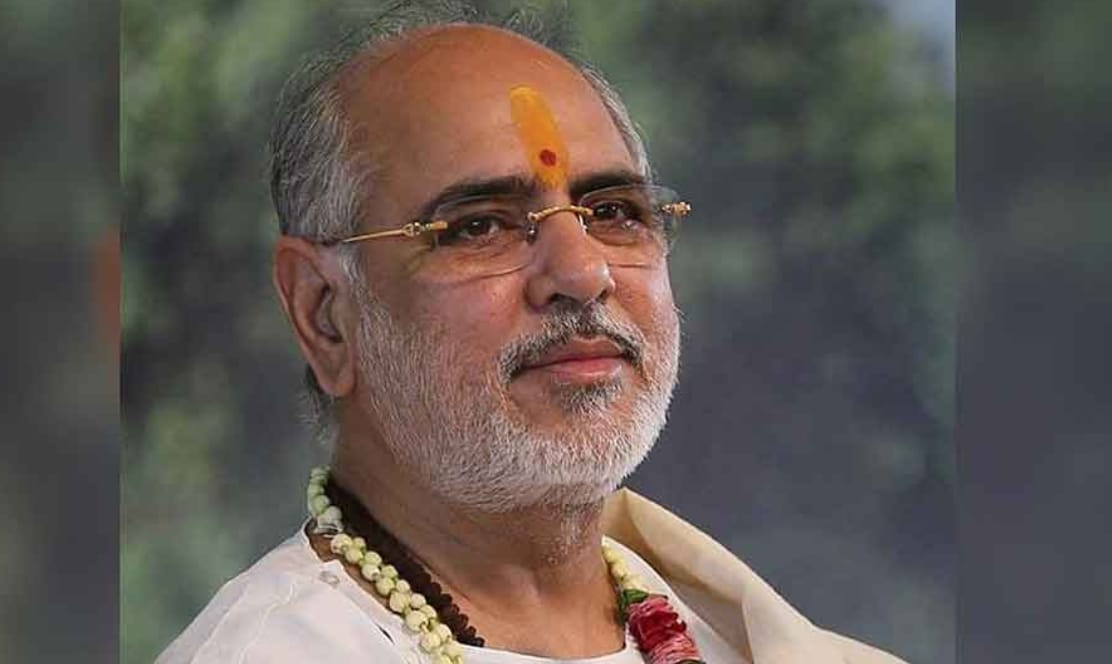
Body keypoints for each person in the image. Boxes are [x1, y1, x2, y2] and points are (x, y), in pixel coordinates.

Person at [157, 5, 906, 663]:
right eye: (480, 226)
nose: (582, 272)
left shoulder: (740, 642)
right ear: (323, 312)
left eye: (613, 212)